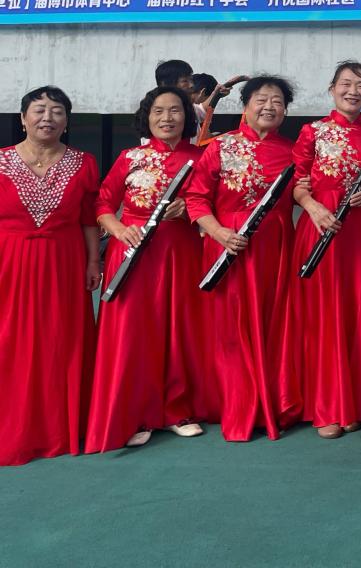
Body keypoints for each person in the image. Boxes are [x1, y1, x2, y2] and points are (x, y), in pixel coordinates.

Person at [88, 86, 207, 452]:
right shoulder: (129, 157)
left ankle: (177, 410)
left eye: (175, 110)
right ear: (147, 117)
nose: (167, 118)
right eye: (158, 111)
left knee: (178, 328)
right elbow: (102, 203)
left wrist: (189, 209)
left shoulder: (202, 157)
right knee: (133, 333)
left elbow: (214, 202)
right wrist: (119, 229)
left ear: (187, 117)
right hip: (132, 252)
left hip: (180, 252)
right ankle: (135, 412)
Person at [185, 75, 302, 443]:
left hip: (275, 250)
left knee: (272, 325)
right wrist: (219, 233)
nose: (269, 107)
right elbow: (196, 199)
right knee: (230, 329)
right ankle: (236, 406)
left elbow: (305, 192)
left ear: (286, 111)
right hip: (227, 247)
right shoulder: (220, 147)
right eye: (261, 100)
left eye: (277, 101)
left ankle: (273, 401)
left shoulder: (293, 151)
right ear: (246, 106)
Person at [0, 87, 99, 467]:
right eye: (39, 110)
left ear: (67, 121)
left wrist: (93, 262)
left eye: (57, 111)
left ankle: (61, 427)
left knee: (62, 340)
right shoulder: (2, 161)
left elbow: (89, 219)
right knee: (11, 340)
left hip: (65, 262)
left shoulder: (84, 163)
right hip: (10, 263)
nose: (47, 118)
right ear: (22, 118)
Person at [291, 62, 361, 439]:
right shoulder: (311, 132)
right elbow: (296, 184)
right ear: (332, 89)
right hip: (320, 228)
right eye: (345, 84)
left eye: (360, 85)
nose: (353, 91)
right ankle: (326, 406)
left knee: (358, 310)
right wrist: (313, 207)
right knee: (322, 315)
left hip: (360, 234)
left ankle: (357, 402)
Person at [193, 73, 249, 146]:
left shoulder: (195, 117)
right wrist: (215, 94)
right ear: (202, 93)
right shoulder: (190, 110)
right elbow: (203, 108)